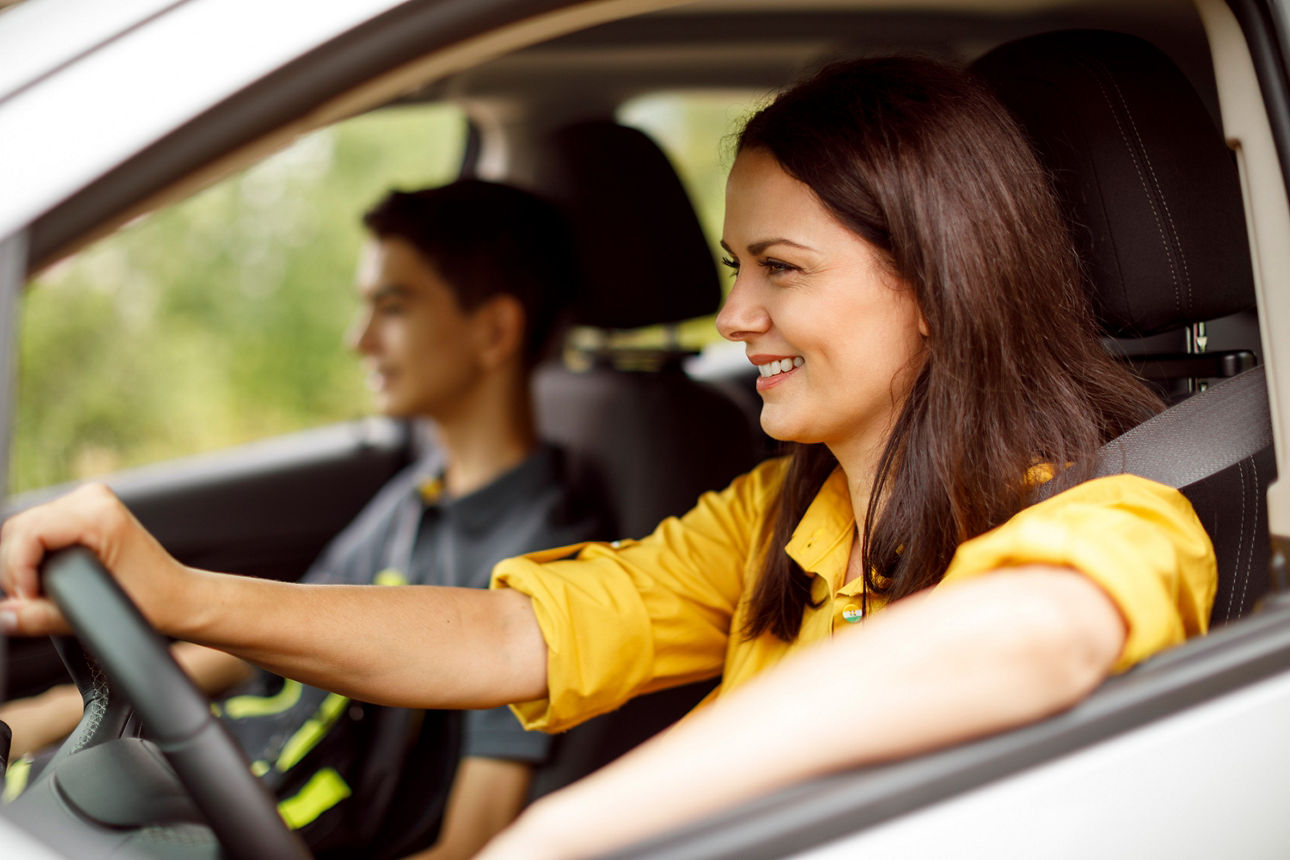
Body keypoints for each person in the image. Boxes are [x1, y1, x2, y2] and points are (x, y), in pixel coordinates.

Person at [0, 56, 1216, 858]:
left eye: (780, 270)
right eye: (738, 268)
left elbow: (1036, 630)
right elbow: (507, 635)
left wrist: (553, 837)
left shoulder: (1123, 518)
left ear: (938, 288)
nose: (735, 318)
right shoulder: (774, 521)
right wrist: (186, 595)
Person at [0, 180, 609, 858]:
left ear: (494, 329)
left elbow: (470, 844)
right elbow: (254, 639)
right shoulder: (416, 496)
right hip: (199, 791)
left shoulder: (546, 559)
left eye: (394, 306)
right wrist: (43, 716)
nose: (359, 339)